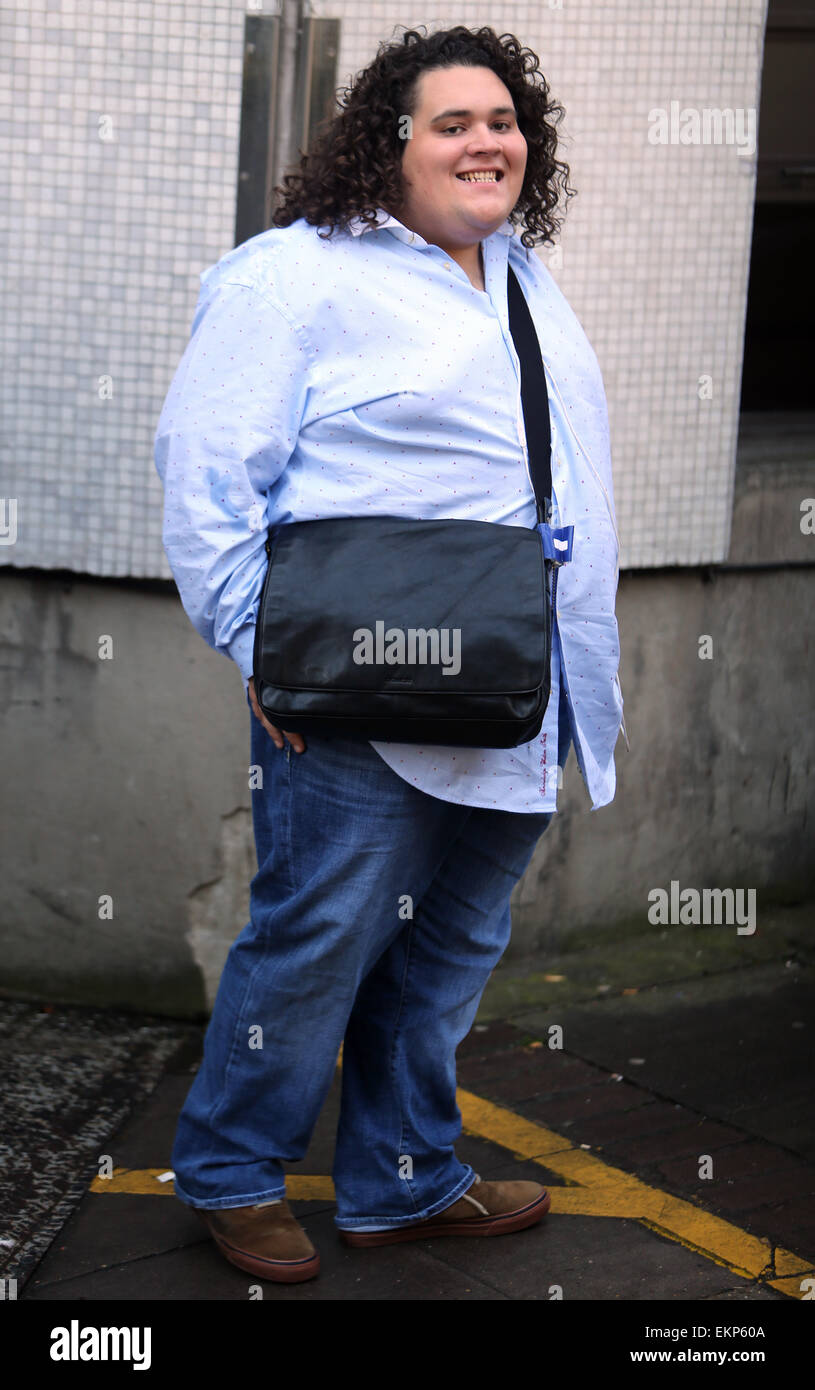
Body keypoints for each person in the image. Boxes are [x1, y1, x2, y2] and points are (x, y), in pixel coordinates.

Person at [153, 23, 625, 1285]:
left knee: (445, 956)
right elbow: (207, 481)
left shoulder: (518, 274)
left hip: (516, 688)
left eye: (504, 119)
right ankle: (233, 1175)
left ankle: (403, 1179)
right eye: (453, 121)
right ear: (390, 142)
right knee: (311, 945)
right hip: (358, 690)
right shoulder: (293, 275)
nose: (488, 140)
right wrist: (261, 646)